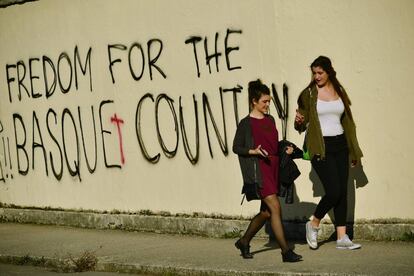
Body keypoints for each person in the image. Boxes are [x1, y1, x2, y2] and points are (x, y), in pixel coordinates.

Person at [294, 56, 363, 250]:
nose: (316, 76)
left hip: (341, 145)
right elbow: (301, 122)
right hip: (320, 147)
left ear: (329, 71)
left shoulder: (339, 91)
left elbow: (347, 123)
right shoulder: (308, 94)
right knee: (333, 191)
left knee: (343, 191)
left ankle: (342, 237)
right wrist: (299, 121)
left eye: (320, 73)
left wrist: (353, 151)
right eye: (314, 73)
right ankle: (313, 223)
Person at [232, 79, 302, 262]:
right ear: (254, 101)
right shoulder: (245, 123)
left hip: (274, 168)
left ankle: (244, 240)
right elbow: (236, 147)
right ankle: (286, 251)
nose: (268, 105)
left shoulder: (270, 120)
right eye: (264, 101)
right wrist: (253, 151)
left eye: (269, 101)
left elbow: (272, 144)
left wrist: (283, 149)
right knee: (276, 208)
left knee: (266, 212)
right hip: (260, 170)